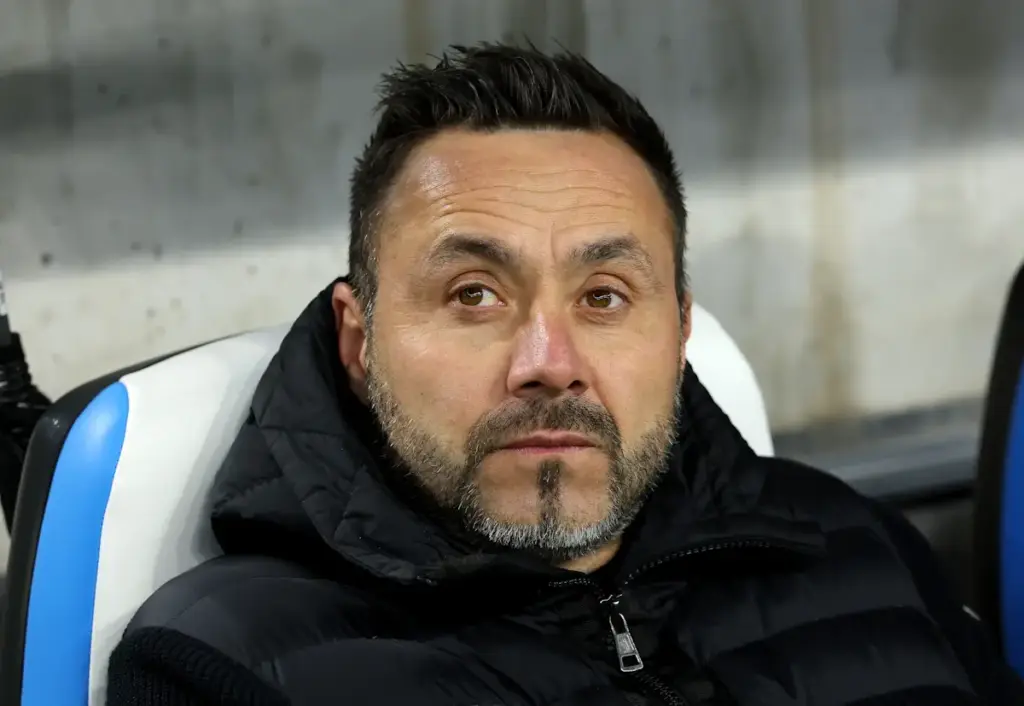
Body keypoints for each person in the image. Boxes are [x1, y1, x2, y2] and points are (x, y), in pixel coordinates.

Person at [106, 43, 1024, 705]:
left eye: (605, 296)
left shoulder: (859, 545)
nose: (549, 365)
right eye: (473, 294)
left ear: (679, 331)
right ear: (359, 339)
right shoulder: (218, 666)